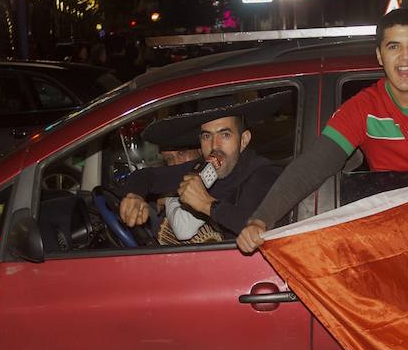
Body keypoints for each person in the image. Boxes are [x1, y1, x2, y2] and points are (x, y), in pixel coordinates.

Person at [237, 8, 408, 254]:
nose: (405, 58)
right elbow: (312, 166)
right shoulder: (363, 109)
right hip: (400, 236)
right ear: (379, 55)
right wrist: (261, 219)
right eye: (394, 47)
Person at [117, 94, 288, 241]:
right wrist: (135, 195)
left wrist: (207, 204)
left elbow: (253, 230)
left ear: (243, 140)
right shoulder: (203, 169)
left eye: (225, 135)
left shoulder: (262, 174)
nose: (215, 146)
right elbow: (147, 176)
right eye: (207, 136)